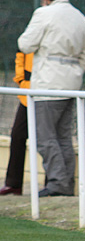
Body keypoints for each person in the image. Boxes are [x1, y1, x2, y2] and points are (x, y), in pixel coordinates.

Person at [17, 0, 85, 197]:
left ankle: (58, 183)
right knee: (63, 137)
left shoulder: (44, 13)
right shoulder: (80, 17)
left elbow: (25, 44)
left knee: (45, 137)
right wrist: (74, 72)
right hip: (72, 83)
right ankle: (67, 184)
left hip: (48, 83)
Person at [0, 51, 33, 196]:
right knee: (17, 135)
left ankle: (52, 184)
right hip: (27, 93)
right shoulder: (28, 40)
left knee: (47, 138)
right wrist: (21, 80)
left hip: (47, 91)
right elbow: (21, 55)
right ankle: (13, 184)